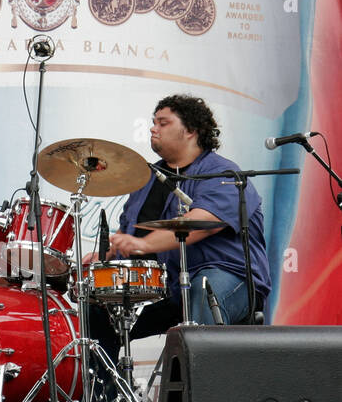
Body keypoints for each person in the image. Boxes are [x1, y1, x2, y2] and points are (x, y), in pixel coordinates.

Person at [85, 94, 271, 362]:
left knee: (202, 289)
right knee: (98, 312)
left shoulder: (223, 173)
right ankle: (109, 401)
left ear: (191, 131)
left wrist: (145, 244)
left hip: (228, 277)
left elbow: (202, 223)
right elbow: (130, 234)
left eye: (163, 123)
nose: (153, 128)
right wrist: (108, 257)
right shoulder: (146, 180)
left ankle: (205, 399)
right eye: (153, 122)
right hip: (167, 287)